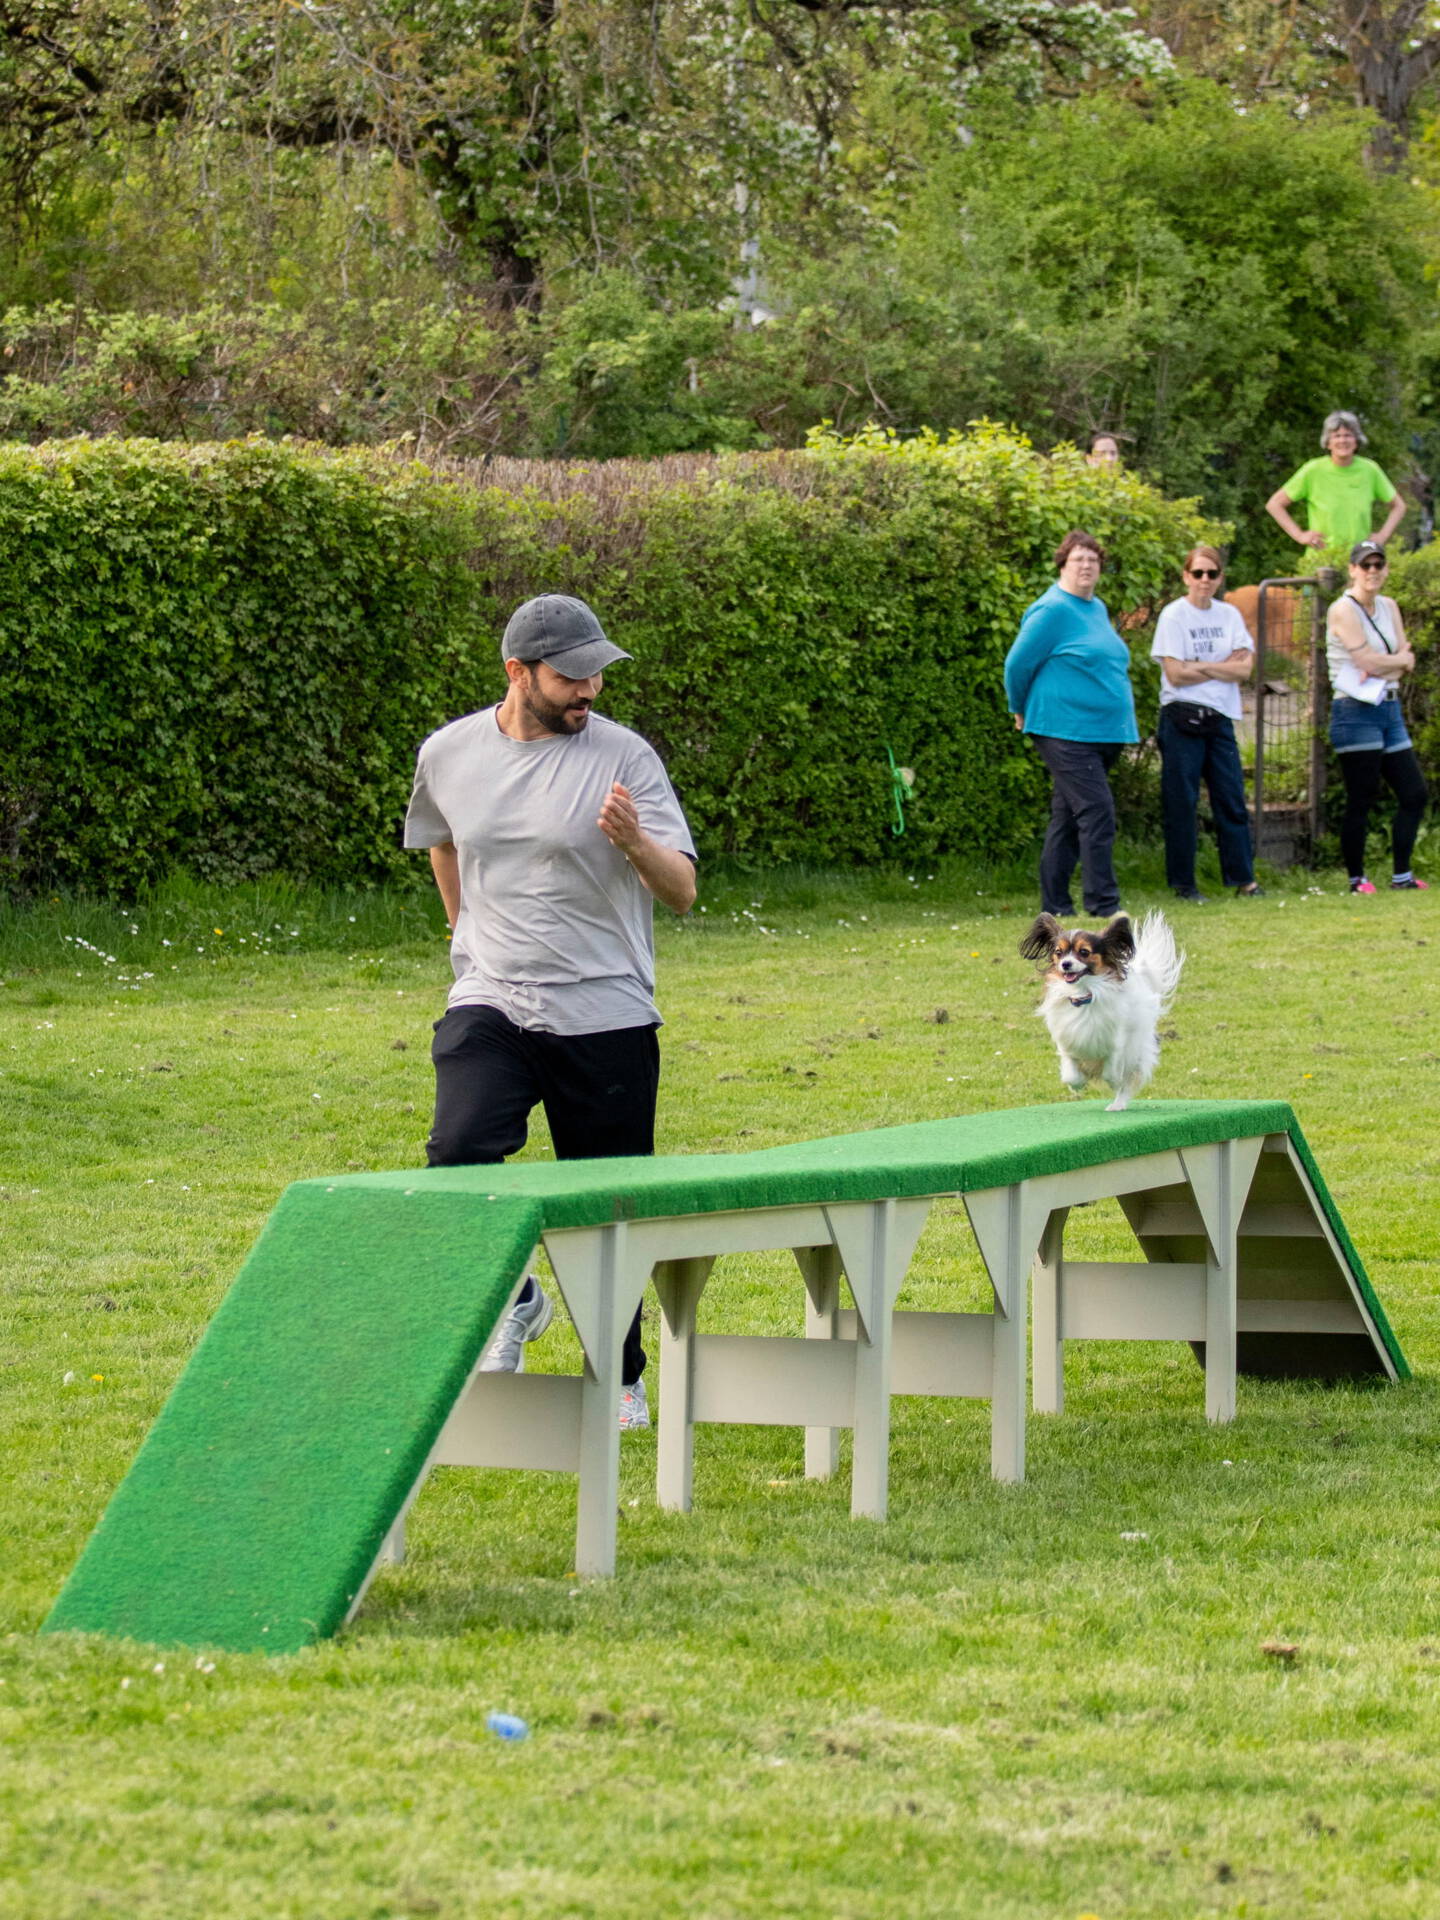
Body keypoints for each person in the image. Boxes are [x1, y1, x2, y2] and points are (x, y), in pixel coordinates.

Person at [404, 592, 698, 1430]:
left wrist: (635, 841)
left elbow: (681, 891)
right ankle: (517, 1296)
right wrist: (464, 931)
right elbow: (441, 837)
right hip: (492, 996)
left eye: (598, 675)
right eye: (572, 676)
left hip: (605, 1008)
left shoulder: (626, 759)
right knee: (458, 1152)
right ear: (518, 672)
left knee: (605, 1208)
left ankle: (624, 1378)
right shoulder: (450, 751)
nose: (590, 692)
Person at [1004, 530, 1139, 919]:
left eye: (1093, 561)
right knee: (1097, 810)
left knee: (1069, 816)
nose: (1086, 566)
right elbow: (1017, 664)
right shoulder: (1052, 610)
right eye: (1078, 559)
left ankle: (1056, 906)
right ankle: (1104, 905)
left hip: (1101, 730)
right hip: (1063, 728)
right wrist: (1018, 707)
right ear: (1062, 564)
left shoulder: (1095, 607)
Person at [1151, 545, 1262, 905]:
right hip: (1181, 717)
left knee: (1231, 799)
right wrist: (1220, 666)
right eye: (1197, 573)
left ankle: (1244, 879)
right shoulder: (1173, 616)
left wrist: (1197, 664)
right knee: (1181, 803)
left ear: (1220, 578)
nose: (1204, 580)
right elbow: (1175, 674)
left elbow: (1244, 669)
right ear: (1186, 576)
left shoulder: (1229, 615)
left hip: (1220, 718)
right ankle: (1184, 884)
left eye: (1211, 574)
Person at [1326, 542, 1428, 893]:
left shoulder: (1389, 607)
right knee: (1362, 796)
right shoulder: (1342, 609)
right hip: (1355, 711)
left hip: (1389, 707)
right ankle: (1357, 879)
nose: (1372, 571)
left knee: (1414, 793)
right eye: (1365, 565)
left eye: (1378, 565)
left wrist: (1385, 663)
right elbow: (1370, 662)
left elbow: (1406, 661)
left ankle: (1402, 875)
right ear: (1352, 569)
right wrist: (1390, 661)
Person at [1265, 411, 1406, 568]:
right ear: (1328, 442)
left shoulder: (1370, 470)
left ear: (1356, 440)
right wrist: (1300, 535)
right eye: (1336, 436)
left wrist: (1382, 536)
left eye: (1348, 435)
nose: (1342, 440)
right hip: (1320, 561)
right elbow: (1275, 504)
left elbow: (1399, 506)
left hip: (1360, 562)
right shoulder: (1313, 470)